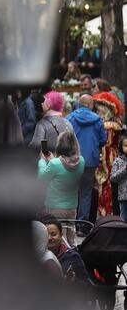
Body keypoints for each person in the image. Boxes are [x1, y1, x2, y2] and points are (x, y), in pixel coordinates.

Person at [67, 95, 107, 226]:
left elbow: (64, 138)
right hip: (90, 161)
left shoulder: (70, 118)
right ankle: (82, 226)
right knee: (86, 194)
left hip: (72, 160)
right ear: (90, 105)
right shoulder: (98, 120)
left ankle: (70, 224)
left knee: (71, 191)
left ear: (80, 104)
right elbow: (103, 141)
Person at [38, 130, 84, 220]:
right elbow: (65, 164)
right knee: (71, 233)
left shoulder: (55, 164)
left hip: (54, 207)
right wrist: (53, 159)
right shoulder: (81, 161)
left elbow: (42, 177)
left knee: (57, 233)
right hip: (72, 207)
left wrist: (42, 161)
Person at [109, 136, 127, 221]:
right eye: (126, 145)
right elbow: (112, 178)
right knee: (123, 219)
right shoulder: (118, 161)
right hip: (123, 197)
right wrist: (124, 170)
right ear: (121, 147)